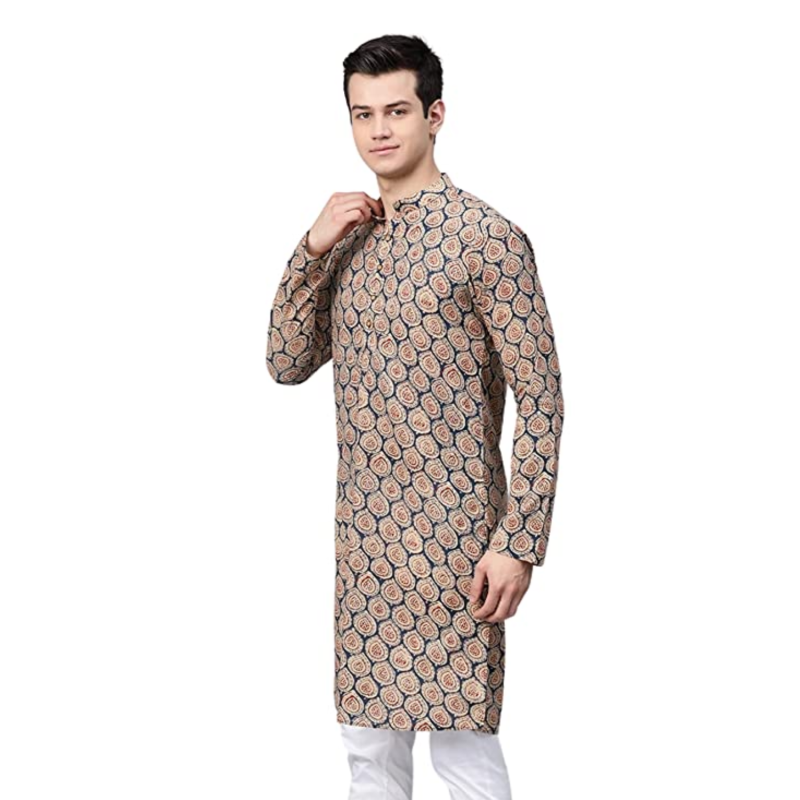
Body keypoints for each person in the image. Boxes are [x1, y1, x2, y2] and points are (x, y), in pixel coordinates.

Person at [266, 33, 565, 800]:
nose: (379, 129)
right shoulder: (347, 241)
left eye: (396, 110)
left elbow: (541, 398)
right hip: (366, 545)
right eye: (362, 114)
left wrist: (520, 542)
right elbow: (286, 362)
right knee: (368, 755)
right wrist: (311, 248)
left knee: (464, 754)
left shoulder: (486, 238)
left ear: (435, 115)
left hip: (459, 547)